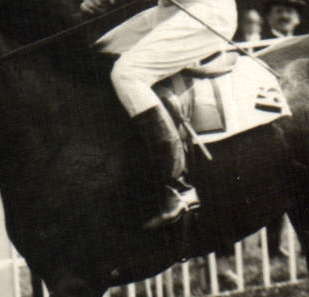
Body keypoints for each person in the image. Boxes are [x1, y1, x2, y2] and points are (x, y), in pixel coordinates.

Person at [84, 0, 238, 230]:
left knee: (127, 73)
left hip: (207, 11)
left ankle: (178, 187)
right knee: (99, 51)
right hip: (169, 11)